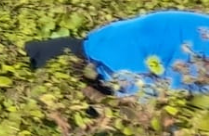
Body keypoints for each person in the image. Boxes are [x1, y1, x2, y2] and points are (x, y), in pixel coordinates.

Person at [26, 10, 209, 97]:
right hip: (177, 37)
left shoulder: (108, 50)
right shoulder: (103, 45)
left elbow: (144, 99)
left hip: (179, 39)